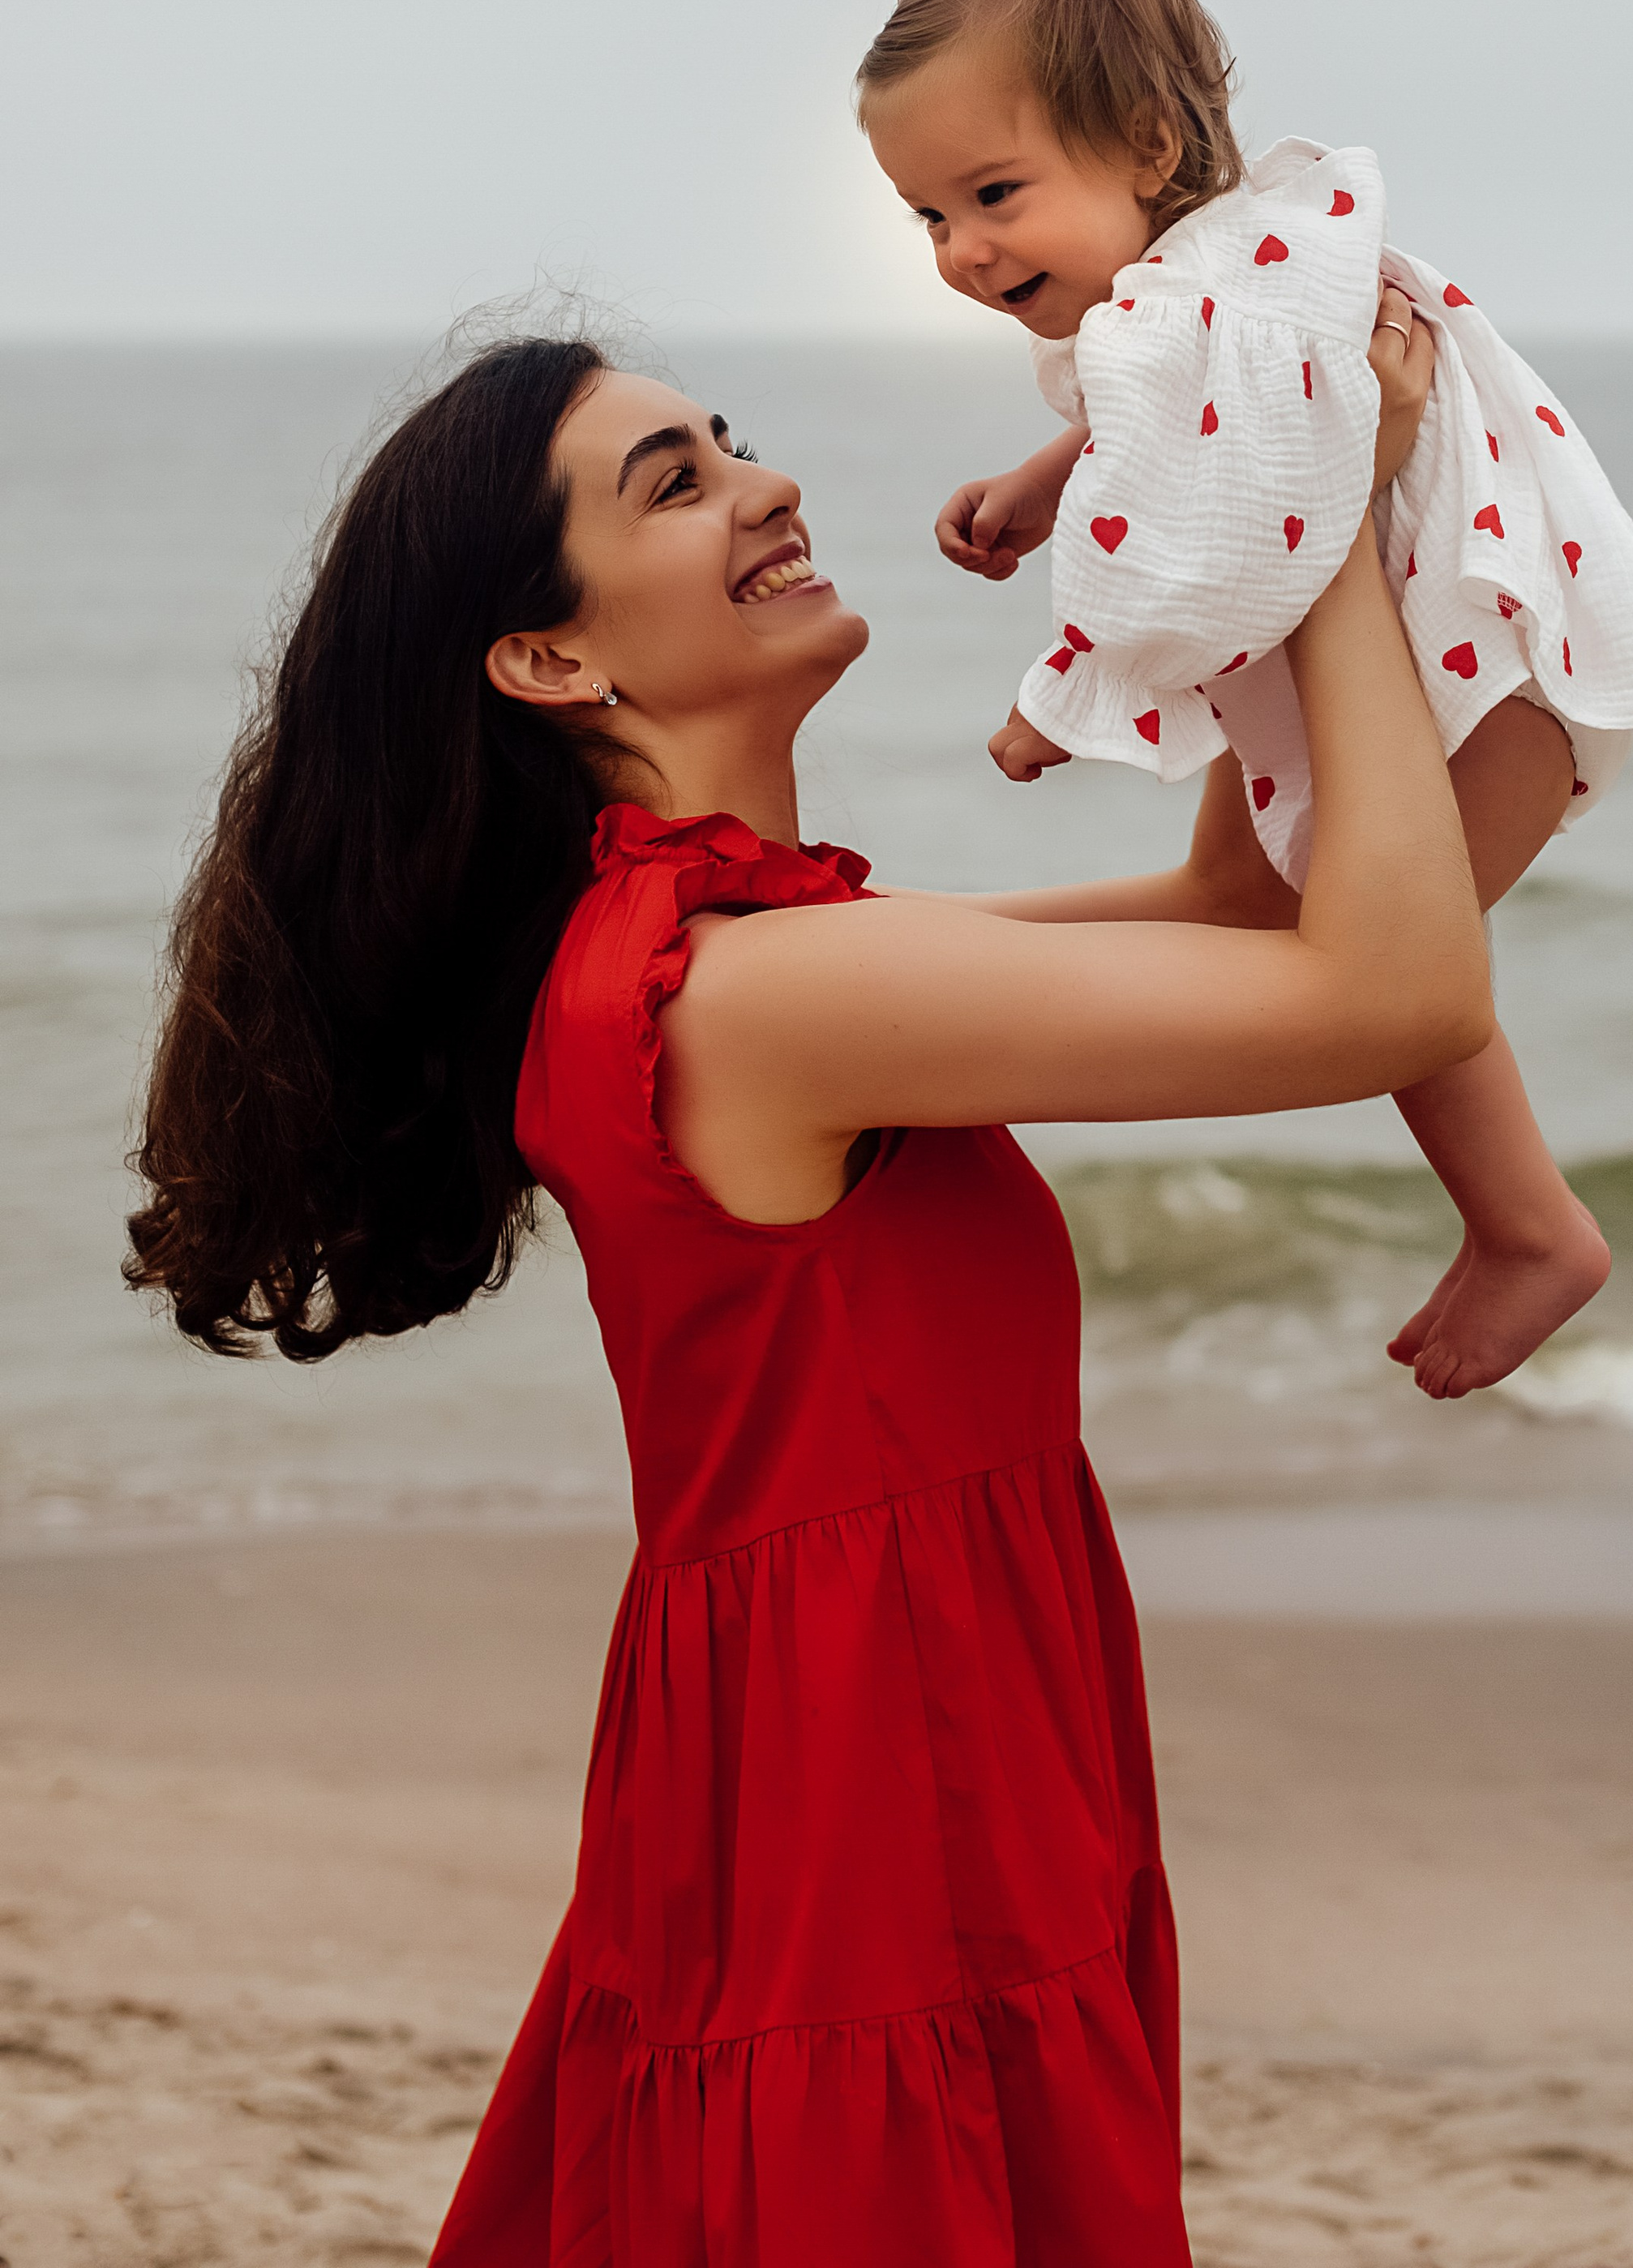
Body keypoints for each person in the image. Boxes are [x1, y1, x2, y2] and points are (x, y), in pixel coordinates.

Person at [126, 327, 1489, 2267]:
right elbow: (1391, 996)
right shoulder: (753, 995)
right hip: (874, 1766)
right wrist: (1332, 528)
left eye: (729, 443)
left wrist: (1239, 521)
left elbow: (1242, 911)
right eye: (673, 484)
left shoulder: (724, 950)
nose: (761, 485)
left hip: (860, 1727)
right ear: (549, 661)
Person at [857, 0, 1633, 1399]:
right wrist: (1044, 482)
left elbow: (1212, 529)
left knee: (1390, 965)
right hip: (1427, 657)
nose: (963, 251)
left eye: (994, 194)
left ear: (1146, 144)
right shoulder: (1228, 273)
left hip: (1482, 681)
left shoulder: (1224, 298)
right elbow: (1164, 436)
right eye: (931, 217)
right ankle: (894, 949)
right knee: (1233, 903)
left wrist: (1060, 698)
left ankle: (1532, 1228)